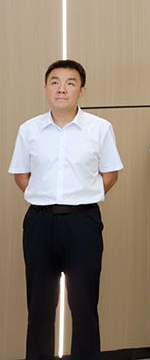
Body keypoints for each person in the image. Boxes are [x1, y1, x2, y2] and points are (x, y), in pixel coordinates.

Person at [9, 60, 123, 360]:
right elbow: (21, 175)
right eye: (55, 82)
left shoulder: (99, 128)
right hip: (40, 222)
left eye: (70, 83)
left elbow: (110, 173)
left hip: (83, 222)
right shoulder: (29, 129)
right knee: (40, 305)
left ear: (81, 90)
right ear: (46, 88)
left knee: (84, 305)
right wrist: (46, 197)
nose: (62, 88)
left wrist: (82, 195)